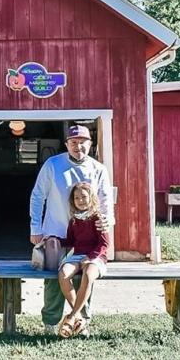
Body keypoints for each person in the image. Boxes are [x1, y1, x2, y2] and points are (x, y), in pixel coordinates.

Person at [29, 124, 113, 335]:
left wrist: (107, 221)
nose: (78, 147)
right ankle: (50, 322)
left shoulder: (98, 169)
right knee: (54, 281)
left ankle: (82, 322)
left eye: (82, 143)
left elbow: (105, 201)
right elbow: (38, 196)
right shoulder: (53, 165)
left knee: (85, 277)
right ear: (67, 144)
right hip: (56, 234)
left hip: (87, 237)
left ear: (90, 144)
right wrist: (35, 227)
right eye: (73, 143)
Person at [54, 182, 110, 338]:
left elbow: (104, 244)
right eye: (76, 197)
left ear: (91, 197)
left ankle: (71, 317)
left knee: (88, 274)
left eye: (83, 197)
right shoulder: (74, 220)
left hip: (96, 256)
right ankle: (78, 318)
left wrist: (90, 258)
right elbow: (71, 241)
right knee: (63, 274)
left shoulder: (97, 217)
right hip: (78, 255)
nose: (80, 200)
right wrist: (55, 240)